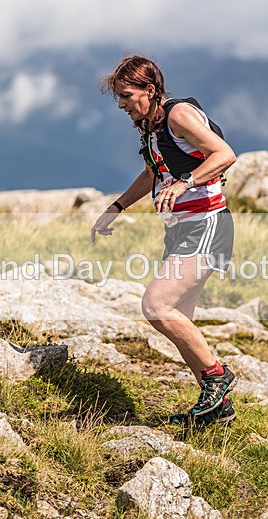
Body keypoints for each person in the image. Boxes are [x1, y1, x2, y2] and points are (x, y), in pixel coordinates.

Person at [92, 55, 238, 427]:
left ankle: (217, 378)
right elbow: (151, 173)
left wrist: (185, 182)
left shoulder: (178, 115)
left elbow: (225, 154)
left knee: (157, 306)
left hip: (207, 227)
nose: (122, 105)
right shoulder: (151, 125)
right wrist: (117, 206)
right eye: (119, 99)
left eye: (126, 96)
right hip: (181, 231)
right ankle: (216, 411)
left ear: (150, 90)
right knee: (179, 321)